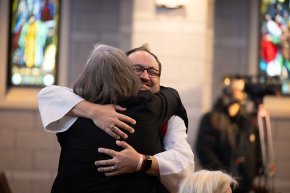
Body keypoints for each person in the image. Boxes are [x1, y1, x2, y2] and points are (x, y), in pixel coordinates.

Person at [38, 44, 194, 192]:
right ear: (120, 73)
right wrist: (94, 111)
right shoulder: (79, 102)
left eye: (153, 72)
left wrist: (141, 162)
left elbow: (184, 164)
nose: (146, 76)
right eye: (137, 69)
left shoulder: (167, 113)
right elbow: (49, 94)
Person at [195, 75, 261, 193]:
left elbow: (257, 150)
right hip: (221, 186)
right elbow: (204, 150)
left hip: (246, 186)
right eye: (238, 89)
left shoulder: (249, 121)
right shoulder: (211, 119)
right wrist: (223, 176)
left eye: (242, 89)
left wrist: (253, 174)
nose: (242, 93)